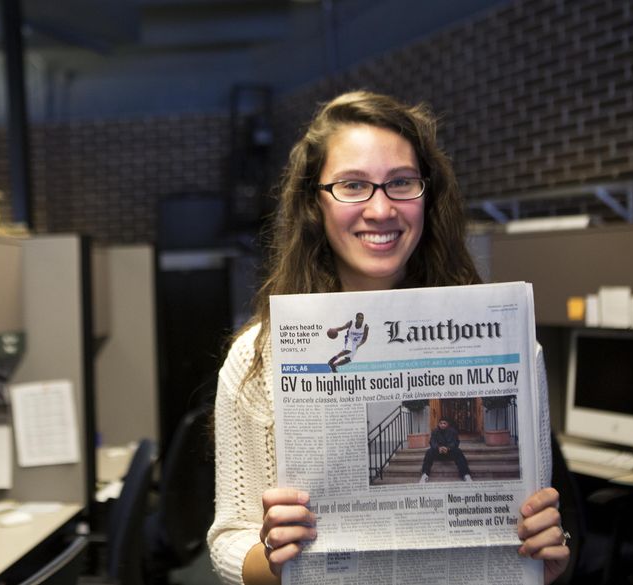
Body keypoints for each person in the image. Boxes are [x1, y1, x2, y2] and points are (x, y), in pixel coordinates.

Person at [207, 91, 569, 585]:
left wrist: (541, 558)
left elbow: (528, 543)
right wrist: (272, 561)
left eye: (401, 183)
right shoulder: (256, 359)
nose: (381, 210)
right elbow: (229, 539)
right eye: (353, 185)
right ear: (315, 202)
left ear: (428, 196)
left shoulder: (512, 345)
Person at [419, 417, 472, 483]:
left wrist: (448, 448)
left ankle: (466, 474)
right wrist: (438, 448)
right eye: (441, 423)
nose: (442, 425)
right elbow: (432, 442)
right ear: (438, 424)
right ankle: (425, 474)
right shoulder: (435, 431)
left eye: (444, 423)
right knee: (429, 452)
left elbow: (455, 442)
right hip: (438, 452)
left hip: (449, 452)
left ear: (447, 424)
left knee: (458, 452)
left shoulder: (453, 431)